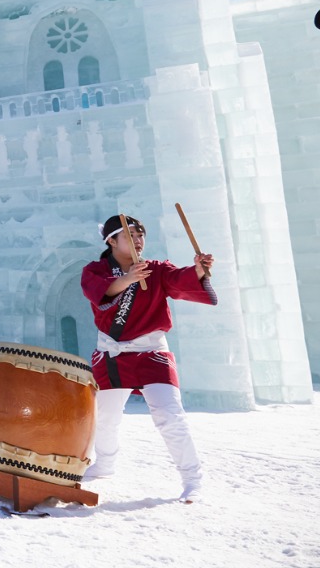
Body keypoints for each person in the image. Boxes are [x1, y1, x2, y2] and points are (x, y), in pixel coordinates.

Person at [80, 214, 216, 503]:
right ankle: (105, 464)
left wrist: (198, 270)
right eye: (130, 234)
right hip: (112, 354)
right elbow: (97, 292)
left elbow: (180, 280)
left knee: (170, 416)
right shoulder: (95, 270)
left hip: (152, 352)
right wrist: (129, 279)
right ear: (111, 241)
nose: (139, 239)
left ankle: (193, 480)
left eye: (141, 234)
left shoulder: (157, 269)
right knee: (105, 417)